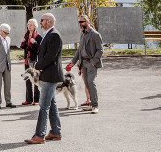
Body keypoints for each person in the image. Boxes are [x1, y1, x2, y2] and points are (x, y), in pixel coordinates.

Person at [25, 13, 63, 144]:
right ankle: (56, 132)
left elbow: (51, 56)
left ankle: (39, 135)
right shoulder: (49, 34)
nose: (40, 23)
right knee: (51, 104)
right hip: (47, 73)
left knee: (44, 105)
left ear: (49, 21)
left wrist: (37, 66)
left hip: (50, 75)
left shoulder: (55, 35)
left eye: (42, 20)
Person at [66, 14, 103, 113]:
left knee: (91, 82)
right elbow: (79, 50)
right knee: (87, 83)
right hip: (83, 63)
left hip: (91, 64)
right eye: (79, 22)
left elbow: (100, 50)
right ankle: (91, 104)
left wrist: (93, 62)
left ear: (87, 22)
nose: (80, 24)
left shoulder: (95, 35)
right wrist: (73, 61)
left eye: (81, 22)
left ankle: (95, 106)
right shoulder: (83, 34)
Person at [20, 18, 41, 105]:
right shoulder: (26, 36)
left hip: (35, 60)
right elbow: (24, 48)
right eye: (28, 24)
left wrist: (35, 43)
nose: (29, 26)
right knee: (27, 78)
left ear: (35, 26)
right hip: (27, 60)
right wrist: (23, 43)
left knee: (36, 78)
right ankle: (28, 99)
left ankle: (37, 99)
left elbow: (40, 49)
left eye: (31, 25)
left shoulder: (38, 37)